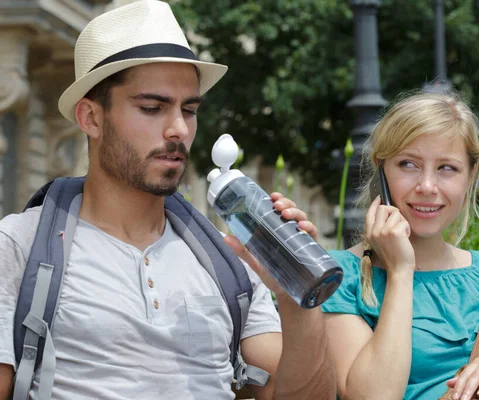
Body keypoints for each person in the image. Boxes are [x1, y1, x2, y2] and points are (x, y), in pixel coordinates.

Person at [0, 1, 335, 399]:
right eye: (152, 107)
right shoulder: (20, 245)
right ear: (90, 118)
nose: (178, 129)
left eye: (189, 110)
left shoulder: (225, 258)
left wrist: (297, 300)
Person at [320, 91, 479, 400]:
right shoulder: (340, 276)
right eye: (408, 164)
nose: (427, 186)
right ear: (381, 172)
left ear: (470, 177)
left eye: (447, 168)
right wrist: (402, 271)